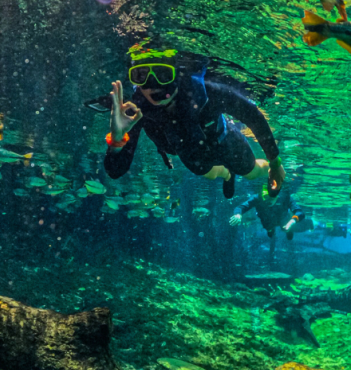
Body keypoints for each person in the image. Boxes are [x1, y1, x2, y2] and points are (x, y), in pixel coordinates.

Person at [104, 47, 284, 199]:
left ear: (177, 74)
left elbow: (251, 114)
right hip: (191, 157)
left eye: (162, 74)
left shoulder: (207, 90)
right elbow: (115, 171)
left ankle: (263, 169)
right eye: (140, 75)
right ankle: (228, 174)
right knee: (211, 173)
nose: (151, 85)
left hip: (225, 143)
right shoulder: (135, 110)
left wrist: (275, 163)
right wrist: (117, 141)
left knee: (251, 172)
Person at [229, 184, 304, 240]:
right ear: (262, 195)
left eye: (272, 197)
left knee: (287, 229)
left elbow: (300, 212)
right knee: (269, 230)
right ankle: (271, 231)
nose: (269, 200)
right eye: (265, 197)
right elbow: (241, 207)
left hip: (284, 220)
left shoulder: (285, 197)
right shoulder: (257, 198)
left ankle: (288, 231)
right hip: (267, 221)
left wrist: (292, 221)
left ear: (277, 195)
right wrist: (238, 214)